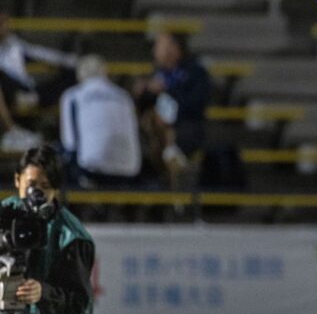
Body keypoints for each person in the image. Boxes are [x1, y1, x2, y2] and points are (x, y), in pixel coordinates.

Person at [0, 145, 94, 314]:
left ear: (56, 188)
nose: (37, 193)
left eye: (45, 186)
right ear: (17, 180)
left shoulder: (71, 236)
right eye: (31, 184)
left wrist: (43, 293)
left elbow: (79, 300)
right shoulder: (4, 216)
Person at [132, 32, 210, 188]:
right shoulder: (158, 74)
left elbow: (195, 105)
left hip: (186, 129)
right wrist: (142, 92)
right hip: (156, 131)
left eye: (159, 45)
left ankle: (173, 166)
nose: (154, 50)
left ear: (174, 48)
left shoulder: (195, 73)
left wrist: (165, 91)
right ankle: (168, 164)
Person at [60, 54, 141, 188]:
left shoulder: (72, 95)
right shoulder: (124, 96)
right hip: (130, 170)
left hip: (92, 171)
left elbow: (69, 142)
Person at [0, 11, 77, 152]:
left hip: (24, 90)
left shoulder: (15, 45)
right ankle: (12, 130)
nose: (3, 27)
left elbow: (43, 54)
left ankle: (66, 136)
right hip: (7, 92)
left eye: (4, 23)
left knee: (71, 73)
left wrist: (70, 60)